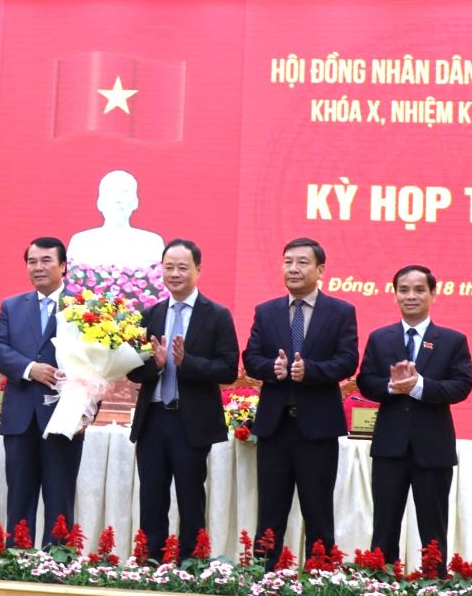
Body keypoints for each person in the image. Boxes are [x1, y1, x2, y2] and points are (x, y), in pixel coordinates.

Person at [242, 237, 358, 567]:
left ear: (320, 269)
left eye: (302, 262)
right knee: (270, 511)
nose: (293, 268)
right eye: (288, 261)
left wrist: (311, 371)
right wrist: (271, 368)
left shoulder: (340, 312)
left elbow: (348, 361)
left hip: (318, 429)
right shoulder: (266, 311)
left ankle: (320, 580)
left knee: (318, 510)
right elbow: (251, 358)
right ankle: (265, 577)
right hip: (275, 429)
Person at [357, 265, 472, 576]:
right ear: (394, 294)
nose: (411, 296)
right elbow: (366, 381)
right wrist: (390, 387)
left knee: (433, 526)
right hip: (389, 447)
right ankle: (379, 582)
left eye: (419, 289)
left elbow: (462, 386)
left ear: (433, 294)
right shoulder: (380, 338)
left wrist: (420, 386)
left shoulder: (452, 340)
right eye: (404, 289)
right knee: (384, 524)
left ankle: (433, 587)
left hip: (433, 448)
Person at [127, 239, 239, 561]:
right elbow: (134, 371)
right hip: (154, 420)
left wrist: (186, 362)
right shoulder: (150, 314)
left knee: (191, 499)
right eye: (168, 267)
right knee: (151, 499)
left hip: (191, 423)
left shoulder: (216, 315)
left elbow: (228, 369)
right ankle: (151, 563)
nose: (175, 274)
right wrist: (156, 365)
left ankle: (191, 565)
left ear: (198, 270)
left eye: (182, 267)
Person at [0, 236, 81, 546]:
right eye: (32, 261)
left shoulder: (83, 307)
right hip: (20, 418)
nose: (38, 267)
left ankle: (57, 565)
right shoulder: (13, 306)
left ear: (63, 266)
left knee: (60, 500)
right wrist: (30, 369)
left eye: (46, 261)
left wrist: (87, 410)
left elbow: (98, 364)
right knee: (19, 498)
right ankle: (18, 560)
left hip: (63, 417)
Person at [67, 170, 164, 268]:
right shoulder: (81, 242)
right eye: (111, 192)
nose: (118, 200)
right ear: (99, 202)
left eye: (125, 192)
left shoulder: (152, 243)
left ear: (135, 202)